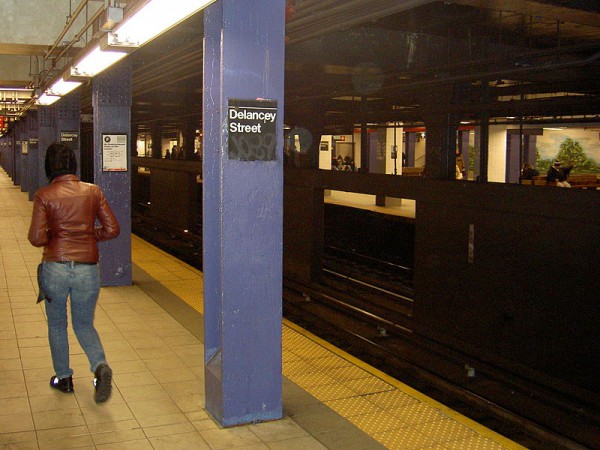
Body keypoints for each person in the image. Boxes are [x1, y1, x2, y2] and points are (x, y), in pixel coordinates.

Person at [28, 142, 120, 403]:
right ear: (73, 165)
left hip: (55, 267)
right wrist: (89, 236)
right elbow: (113, 229)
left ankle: (64, 378)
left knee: (57, 325)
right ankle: (99, 366)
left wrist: (55, 237)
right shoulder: (93, 191)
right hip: (87, 269)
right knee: (83, 323)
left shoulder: (45, 195)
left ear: (49, 166)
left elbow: (36, 238)